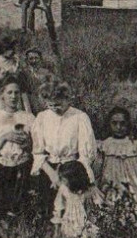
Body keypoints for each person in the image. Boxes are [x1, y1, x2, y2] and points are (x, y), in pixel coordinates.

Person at [32, 79, 97, 220]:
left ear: (67, 99)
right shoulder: (42, 118)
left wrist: (66, 176)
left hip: (73, 170)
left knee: (72, 210)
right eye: (50, 105)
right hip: (49, 168)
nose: (55, 108)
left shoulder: (79, 117)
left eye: (58, 104)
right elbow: (38, 152)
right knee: (50, 211)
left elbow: (86, 153)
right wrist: (53, 175)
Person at [0, 77, 37, 218]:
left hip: (24, 167)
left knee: (22, 208)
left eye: (16, 93)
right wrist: (4, 137)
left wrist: (28, 144)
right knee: (3, 210)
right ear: (2, 96)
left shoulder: (29, 118)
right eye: (10, 93)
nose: (13, 97)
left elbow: (40, 146)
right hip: (1, 168)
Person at [95, 106, 137, 220]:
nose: (119, 127)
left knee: (136, 215)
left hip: (133, 188)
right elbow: (98, 174)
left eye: (122, 123)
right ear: (109, 124)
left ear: (128, 124)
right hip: (111, 189)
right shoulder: (104, 145)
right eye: (115, 123)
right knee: (113, 215)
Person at [52, 160, 101, 238]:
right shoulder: (64, 190)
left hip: (87, 221)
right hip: (70, 222)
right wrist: (56, 232)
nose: (62, 182)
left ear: (74, 179)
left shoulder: (90, 191)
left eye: (64, 180)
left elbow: (98, 205)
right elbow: (58, 207)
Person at [0, 37, 31, 114]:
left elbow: (19, 75)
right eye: (9, 49)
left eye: (12, 49)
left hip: (13, 92)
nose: (12, 52)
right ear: (3, 49)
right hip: (0, 93)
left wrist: (18, 65)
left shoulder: (14, 61)